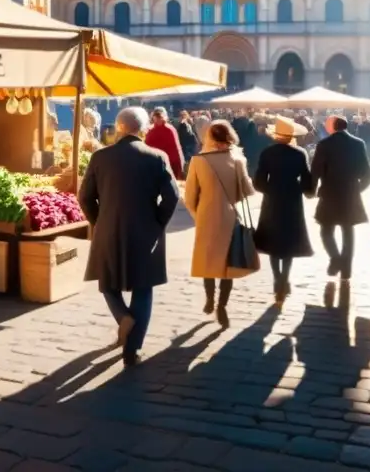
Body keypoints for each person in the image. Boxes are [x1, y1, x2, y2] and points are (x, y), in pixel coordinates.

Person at [80, 107, 179, 366]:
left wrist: (98, 221)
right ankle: (132, 351)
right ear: (143, 129)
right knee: (143, 288)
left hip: (108, 227)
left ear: (118, 128)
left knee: (107, 283)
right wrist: (157, 222)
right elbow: (172, 197)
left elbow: (85, 197)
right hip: (146, 229)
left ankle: (124, 318)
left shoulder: (100, 157)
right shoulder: (157, 156)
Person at [184, 119, 255, 328]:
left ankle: (209, 299)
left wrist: (199, 215)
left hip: (206, 218)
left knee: (208, 262)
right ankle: (222, 305)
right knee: (228, 264)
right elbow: (247, 191)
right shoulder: (238, 160)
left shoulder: (198, 161)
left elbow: (189, 198)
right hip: (230, 217)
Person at [253, 116, 314, 308]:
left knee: (273, 240)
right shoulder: (300, 153)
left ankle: (277, 278)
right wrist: (309, 192)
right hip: (293, 200)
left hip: (272, 199)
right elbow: (306, 179)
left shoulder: (267, 153)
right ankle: (285, 279)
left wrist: (269, 189)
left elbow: (259, 181)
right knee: (289, 240)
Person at [310, 115, 370, 294]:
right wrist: (358, 189)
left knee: (326, 230)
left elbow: (315, 171)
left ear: (332, 126)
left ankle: (335, 259)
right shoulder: (358, 143)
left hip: (329, 192)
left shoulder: (324, 145)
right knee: (348, 231)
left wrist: (310, 190)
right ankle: (346, 270)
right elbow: (368, 173)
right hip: (350, 193)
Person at [145, 107, 185, 181]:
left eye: (160, 116)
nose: (158, 119)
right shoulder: (150, 131)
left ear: (164, 117)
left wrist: (180, 168)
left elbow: (177, 149)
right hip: (155, 166)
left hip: (170, 166)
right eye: (156, 116)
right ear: (153, 117)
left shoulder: (169, 130)